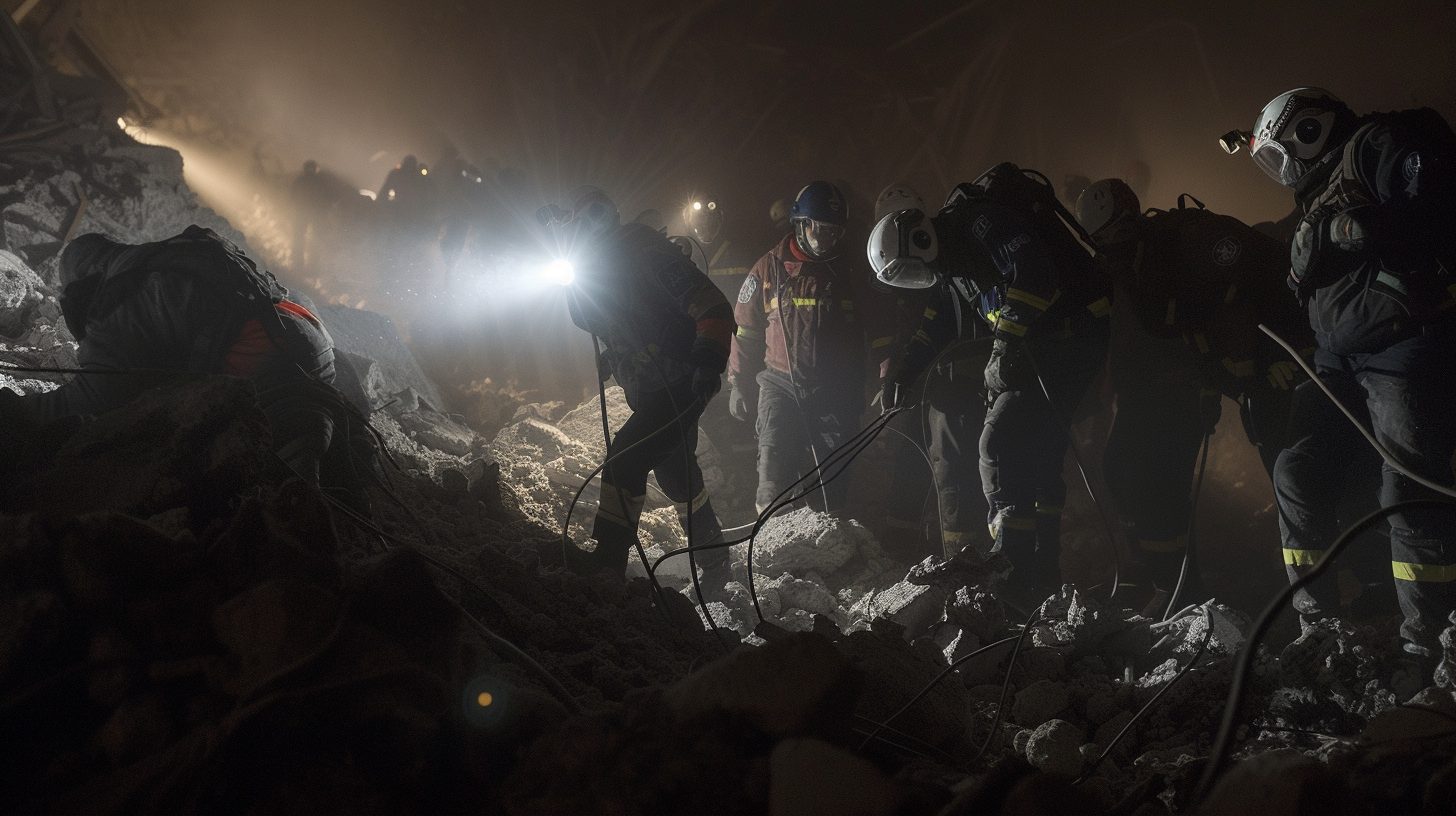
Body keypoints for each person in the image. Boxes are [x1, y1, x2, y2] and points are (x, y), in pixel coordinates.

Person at [1225, 87, 1456, 671]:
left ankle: (1428, 642)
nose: (1283, 172)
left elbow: (1434, 220)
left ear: (1310, 131)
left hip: (1404, 346)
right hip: (1336, 360)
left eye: (1281, 155)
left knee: (1407, 493)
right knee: (1295, 472)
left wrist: (1340, 232)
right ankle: (1320, 626)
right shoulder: (1318, 192)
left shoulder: (1378, 147)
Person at [870, 163, 1112, 611]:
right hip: (1050, 346)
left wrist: (1004, 345)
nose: (917, 277)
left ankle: (1011, 573)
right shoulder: (947, 259)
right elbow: (938, 322)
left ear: (921, 238)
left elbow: (1036, 272)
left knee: (998, 444)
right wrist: (904, 372)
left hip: (1073, 340)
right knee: (1038, 458)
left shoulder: (979, 225)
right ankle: (1042, 577)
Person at [1078, 178, 1316, 607]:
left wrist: (1276, 352)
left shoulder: (1190, 243)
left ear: (1129, 221)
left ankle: (1327, 593)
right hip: (1223, 382)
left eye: (1113, 233)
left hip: (1270, 373)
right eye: (1099, 238)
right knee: (1120, 471)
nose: (1107, 245)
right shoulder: (1132, 263)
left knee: (1295, 479)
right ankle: (1168, 584)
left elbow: (1271, 275)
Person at [4, 226, 344, 484]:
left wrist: (14, 411)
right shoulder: (166, 260)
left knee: (284, 480)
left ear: (81, 286)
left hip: (268, 365)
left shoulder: (119, 295)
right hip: (313, 343)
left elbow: (94, 399)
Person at [545, 187, 737, 590]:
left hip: (682, 382)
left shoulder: (645, 253)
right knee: (678, 476)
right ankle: (716, 557)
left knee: (625, 459)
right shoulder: (597, 266)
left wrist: (707, 362)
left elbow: (713, 306)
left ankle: (607, 561)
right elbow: (623, 323)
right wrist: (615, 356)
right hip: (653, 386)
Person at [728, 181, 895, 515]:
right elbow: (745, 329)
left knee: (829, 490)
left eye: (836, 231)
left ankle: (822, 556)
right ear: (801, 224)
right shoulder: (768, 268)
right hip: (780, 386)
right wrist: (738, 382)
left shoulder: (853, 271)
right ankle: (769, 556)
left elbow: (882, 330)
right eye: (822, 229)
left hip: (836, 392)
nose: (830, 238)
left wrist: (889, 374)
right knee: (772, 481)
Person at [875, 182, 993, 559]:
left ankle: (975, 565)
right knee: (926, 465)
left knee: (967, 471)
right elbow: (929, 327)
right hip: (941, 383)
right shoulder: (938, 268)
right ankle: (918, 549)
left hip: (967, 385)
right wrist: (901, 374)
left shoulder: (965, 262)